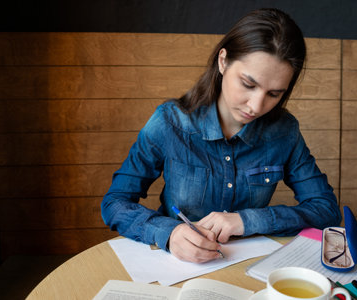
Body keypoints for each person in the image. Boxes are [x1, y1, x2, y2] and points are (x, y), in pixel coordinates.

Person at [102, 8, 341, 263]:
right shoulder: (169, 121)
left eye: (274, 94)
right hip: (178, 265)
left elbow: (326, 210)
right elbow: (115, 202)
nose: (256, 106)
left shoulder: (285, 131)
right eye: (248, 84)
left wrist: (246, 220)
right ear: (223, 61)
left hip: (249, 265)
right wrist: (169, 233)